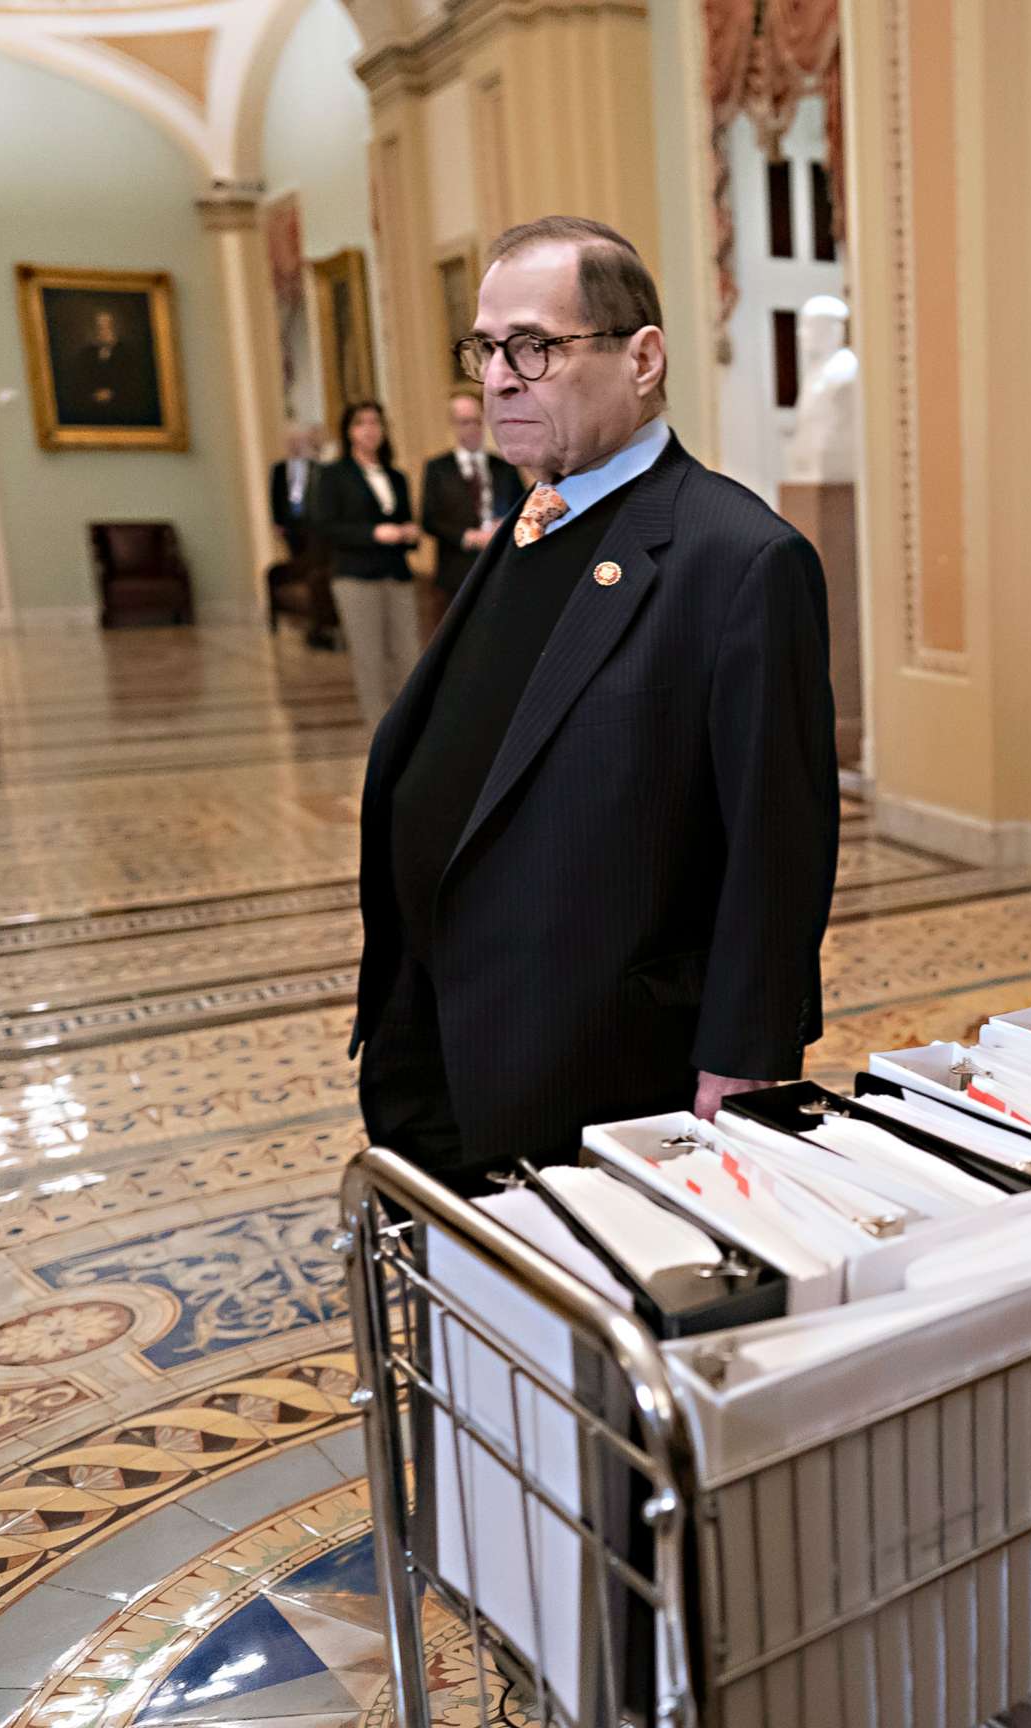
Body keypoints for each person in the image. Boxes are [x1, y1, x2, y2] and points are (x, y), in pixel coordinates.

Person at [353, 214, 838, 1189]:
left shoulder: (738, 559)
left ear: (644, 357)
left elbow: (779, 842)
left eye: (532, 346)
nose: (496, 378)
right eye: (486, 349)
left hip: (590, 1063)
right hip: (438, 1035)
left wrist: (745, 1057)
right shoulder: (536, 517)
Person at [311, 401, 424, 725]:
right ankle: (379, 729)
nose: (370, 429)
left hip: (397, 573)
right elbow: (325, 526)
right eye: (361, 423)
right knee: (369, 659)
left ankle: (409, 727)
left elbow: (406, 524)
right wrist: (375, 532)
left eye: (375, 422)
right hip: (355, 576)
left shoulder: (396, 476)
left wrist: (409, 532)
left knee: (409, 655)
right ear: (349, 432)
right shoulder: (334, 475)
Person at [418, 390, 523, 610]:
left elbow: (525, 509)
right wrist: (467, 536)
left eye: (477, 421)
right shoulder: (438, 469)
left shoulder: (504, 467)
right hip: (457, 571)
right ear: (453, 425)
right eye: (464, 422)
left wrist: (505, 524)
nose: (472, 428)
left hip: (502, 566)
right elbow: (430, 520)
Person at [270, 422, 321, 559]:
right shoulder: (279, 469)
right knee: (294, 558)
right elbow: (275, 496)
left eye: (298, 441)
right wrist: (277, 522)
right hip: (289, 522)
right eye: (292, 441)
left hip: (311, 523)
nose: (295, 444)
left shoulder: (314, 467)